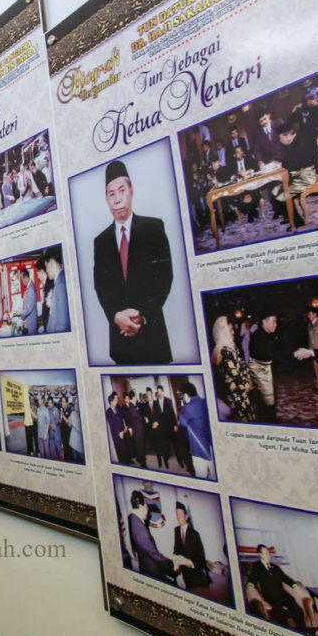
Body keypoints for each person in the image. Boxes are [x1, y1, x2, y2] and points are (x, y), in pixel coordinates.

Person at [91, 160, 174, 364]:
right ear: (106, 199)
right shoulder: (101, 242)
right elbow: (100, 286)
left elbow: (165, 276)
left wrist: (142, 315)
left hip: (153, 334)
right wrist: (115, 315)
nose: (118, 199)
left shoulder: (153, 228)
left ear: (131, 191)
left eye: (121, 190)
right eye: (111, 194)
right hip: (121, 341)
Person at [127, 491, 191, 582]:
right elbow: (156, 556)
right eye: (146, 507)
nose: (147, 510)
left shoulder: (132, 518)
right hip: (151, 571)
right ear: (141, 507)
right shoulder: (141, 530)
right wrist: (173, 564)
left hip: (147, 566)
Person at [246, 545, 304, 629]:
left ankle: (302, 630)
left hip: (282, 593)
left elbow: (285, 578)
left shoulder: (275, 567)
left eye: (268, 554)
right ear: (260, 554)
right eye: (265, 554)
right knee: (280, 611)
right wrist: (250, 585)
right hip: (270, 595)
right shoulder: (256, 566)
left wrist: (294, 586)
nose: (268, 556)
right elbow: (252, 578)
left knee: (296, 607)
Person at [211, 315, 254, 422]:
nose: (233, 332)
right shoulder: (224, 351)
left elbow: (242, 365)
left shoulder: (231, 347)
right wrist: (246, 384)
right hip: (236, 395)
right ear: (223, 332)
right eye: (230, 330)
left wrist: (247, 379)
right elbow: (234, 376)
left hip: (241, 391)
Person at [178, 381, 214, 478]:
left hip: (198, 450)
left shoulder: (187, 407)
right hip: (211, 446)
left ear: (185, 394)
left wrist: (183, 407)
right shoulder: (204, 402)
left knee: (201, 476)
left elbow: (182, 423)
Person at [173, 502, 210, 590]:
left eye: (180, 514)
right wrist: (175, 560)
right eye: (177, 514)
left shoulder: (194, 534)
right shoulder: (176, 530)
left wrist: (192, 564)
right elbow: (177, 549)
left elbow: (201, 556)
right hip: (184, 572)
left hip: (195, 573)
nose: (178, 517)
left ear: (186, 516)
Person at [42, 248, 70, 333]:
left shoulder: (61, 284)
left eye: (46, 267)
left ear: (51, 263)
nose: (46, 271)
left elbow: (62, 323)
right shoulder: (59, 280)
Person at [19, 268, 37, 335]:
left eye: (22, 278)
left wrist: (20, 313)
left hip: (31, 321)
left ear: (26, 277)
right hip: (29, 319)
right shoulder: (30, 286)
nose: (22, 280)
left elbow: (29, 309)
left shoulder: (31, 289)